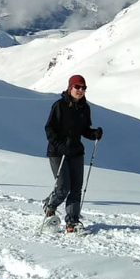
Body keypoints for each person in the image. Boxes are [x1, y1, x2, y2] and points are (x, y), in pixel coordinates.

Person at [40, 74, 104, 233]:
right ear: (70, 87)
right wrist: (61, 146)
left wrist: (94, 134)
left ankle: (72, 222)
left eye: (83, 88)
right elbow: (49, 129)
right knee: (63, 187)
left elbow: (84, 130)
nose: (80, 90)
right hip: (57, 152)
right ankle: (50, 204)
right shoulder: (59, 106)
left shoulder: (85, 108)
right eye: (77, 87)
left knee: (76, 188)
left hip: (76, 152)